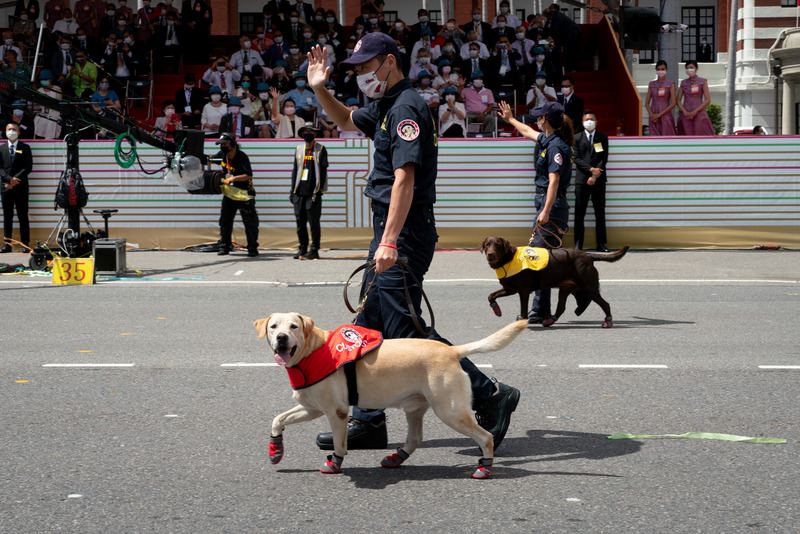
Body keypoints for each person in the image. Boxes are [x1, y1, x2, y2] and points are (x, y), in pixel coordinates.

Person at [305, 33, 520, 459]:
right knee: (366, 326)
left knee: (405, 328)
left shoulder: (406, 108)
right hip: (391, 230)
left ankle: (490, 393)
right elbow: (346, 120)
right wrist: (318, 88)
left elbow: (404, 179)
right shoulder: (385, 102)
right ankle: (368, 419)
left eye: (366, 67)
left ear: (388, 62)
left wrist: (388, 242)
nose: (361, 74)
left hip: (402, 234)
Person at [497, 100, 574, 327]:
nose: (536, 120)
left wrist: (546, 211)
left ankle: (541, 311)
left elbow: (554, 181)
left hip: (552, 206)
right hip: (547, 205)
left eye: (539, 116)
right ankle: (543, 309)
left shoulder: (555, 147)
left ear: (545, 120)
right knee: (540, 258)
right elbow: (528, 131)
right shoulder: (548, 140)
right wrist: (510, 119)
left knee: (539, 260)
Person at [213, 132, 259, 257]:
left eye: (225, 144)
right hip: (229, 194)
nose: (223, 146)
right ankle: (225, 246)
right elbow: (209, 159)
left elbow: (248, 175)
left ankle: (252, 248)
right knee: (225, 221)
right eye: (221, 144)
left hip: (244, 194)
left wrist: (233, 179)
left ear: (233, 143)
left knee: (250, 223)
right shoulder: (222, 155)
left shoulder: (241, 156)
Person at [572, 110, 609, 252]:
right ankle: (578, 244)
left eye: (592, 119)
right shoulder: (576, 137)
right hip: (582, 180)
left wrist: (595, 175)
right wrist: (590, 170)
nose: (589, 121)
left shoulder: (603, 137)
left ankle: (601, 243)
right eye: (587, 119)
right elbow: (576, 158)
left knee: (600, 213)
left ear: (596, 122)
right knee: (579, 213)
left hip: (598, 180)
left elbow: (603, 158)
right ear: (582, 122)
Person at [290, 121, 327, 260]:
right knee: (300, 223)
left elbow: (323, 172)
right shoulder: (299, 149)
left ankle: (314, 249)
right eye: (305, 132)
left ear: (315, 133)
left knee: (314, 223)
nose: (308, 134)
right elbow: (295, 170)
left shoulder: (321, 149)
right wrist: (292, 191)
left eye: (311, 131)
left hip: (313, 193)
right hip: (299, 192)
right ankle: (302, 248)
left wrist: (318, 192)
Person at [1, 123, 33, 253]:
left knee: (22, 216)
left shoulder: (25, 148)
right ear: (5, 131)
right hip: (5, 187)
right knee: (7, 217)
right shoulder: (1, 148)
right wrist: (9, 180)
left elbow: (28, 167)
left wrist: (15, 180)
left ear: (19, 132)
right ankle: (7, 244)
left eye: (14, 129)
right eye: (9, 129)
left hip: (21, 188)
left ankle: (25, 244)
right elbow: (0, 168)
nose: (11, 131)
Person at [677, 60, 714, 136]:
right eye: (687, 68)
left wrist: (695, 112)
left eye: (691, 67)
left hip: (699, 112)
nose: (689, 70)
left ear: (696, 68)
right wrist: (685, 112)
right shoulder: (683, 83)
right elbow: (678, 100)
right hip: (686, 114)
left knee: (701, 134)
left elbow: (707, 100)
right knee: (686, 134)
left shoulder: (702, 81)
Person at [645, 60, 677, 136]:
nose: (660, 71)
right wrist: (651, 115)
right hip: (653, 116)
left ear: (666, 70)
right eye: (658, 69)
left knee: (667, 139)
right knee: (654, 140)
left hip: (665, 115)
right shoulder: (651, 84)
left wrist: (659, 115)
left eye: (662, 69)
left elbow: (673, 103)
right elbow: (647, 103)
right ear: (656, 70)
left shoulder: (670, 84)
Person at [461, 70, 495, 135]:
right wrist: (460, 86)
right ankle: (464, 136)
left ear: (482, 80)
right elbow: (459, 101)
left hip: (483, 114)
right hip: (469, 114)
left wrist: (484, 113)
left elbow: (490, 105)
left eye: (480, 78)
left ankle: (486, 136)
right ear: (472, 80)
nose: (478, 80)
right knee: (461, 119)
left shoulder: (488, 91)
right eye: (476, 78)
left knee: (492, 119)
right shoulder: (465, 90)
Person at [33, 70, 62, 139]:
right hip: (42, 116)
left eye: (45, 79)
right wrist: (39, 107)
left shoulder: (56, 89)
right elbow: (36, 106)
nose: (43, 81)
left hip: (53, 117)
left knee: (51, 136)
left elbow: (58, 102)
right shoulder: (39, 90)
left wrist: (46, 103)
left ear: (50, 79)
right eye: (42, 79)